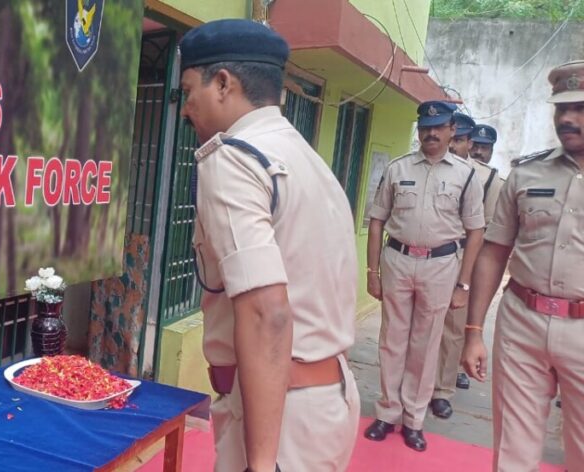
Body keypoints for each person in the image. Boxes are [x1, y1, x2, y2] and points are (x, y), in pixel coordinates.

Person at [180, 19, 359, 472]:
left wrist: (260, 463)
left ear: (223, 84)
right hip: (324, 400)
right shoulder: (305, 158)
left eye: (187, 91)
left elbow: (267, 314)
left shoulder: (233, 159)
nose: (185, 109)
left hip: (281, 416)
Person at [462, 60, 584, 471]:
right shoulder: (527, 173)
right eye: (561, 108)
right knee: (512, 451)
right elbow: (494, 251)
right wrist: (474, 330)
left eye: (581, 107)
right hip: (521, 321)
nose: (567, 118)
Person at [364, 100, 485, 451]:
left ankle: (414, 420)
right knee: (392, 341)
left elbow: (475, 232)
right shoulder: (398, 168)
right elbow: (377, 222)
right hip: (397, 260)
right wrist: (372, 272)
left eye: (438, 127)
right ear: (419, 131)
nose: (431, 133)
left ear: (451, 131)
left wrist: (463, 283)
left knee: (426, 344)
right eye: (425, 128)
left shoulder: (466, 176)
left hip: (441, 265)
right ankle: (387, 413)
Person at [430, 122, 506, 419]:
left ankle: (441, 390)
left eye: (461, 140)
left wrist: (468, 277)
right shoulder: (427, 168)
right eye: (454, 138)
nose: (454, 145)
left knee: (452, 328)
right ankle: (415, 384)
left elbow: (488, 232)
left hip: (463, 257)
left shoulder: (487, 179)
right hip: (428, 257)